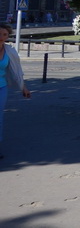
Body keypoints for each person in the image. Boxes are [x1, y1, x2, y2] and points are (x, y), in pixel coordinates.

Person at [0, 23, 31, 160]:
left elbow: (17, 71)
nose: (1, 37)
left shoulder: (10, 52)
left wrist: (23, 87)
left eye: (4, 35)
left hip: (1, 87)